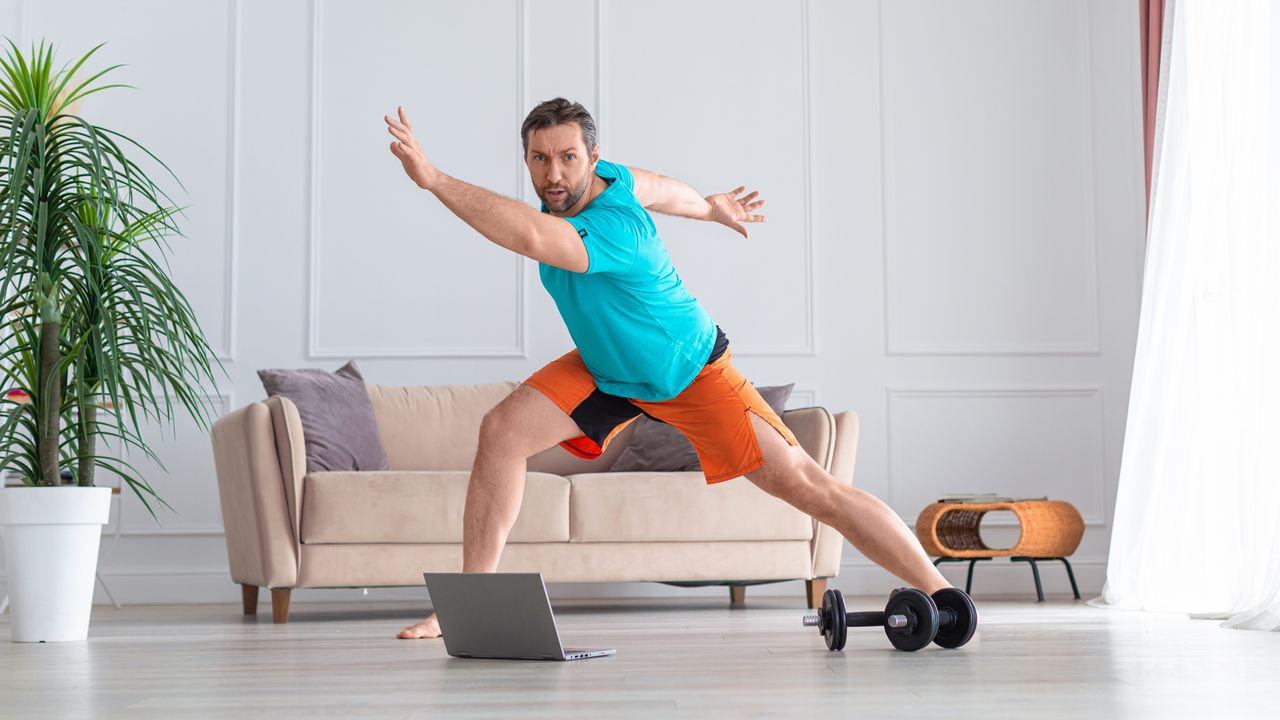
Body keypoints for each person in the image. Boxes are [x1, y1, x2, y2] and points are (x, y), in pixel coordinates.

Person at [385, 98, 955, 640]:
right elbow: (661, 187)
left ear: (590, 154)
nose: (553, 174)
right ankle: (468, 608)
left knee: (809, 487)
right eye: (540, 159)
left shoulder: (616, 227)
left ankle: (945, 595)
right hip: (608, 370)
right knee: (501, 432)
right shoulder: (607, 176)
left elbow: (532, 235)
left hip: (688, 373)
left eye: (567, 158)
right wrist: (709, 207)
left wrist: (434, 179)